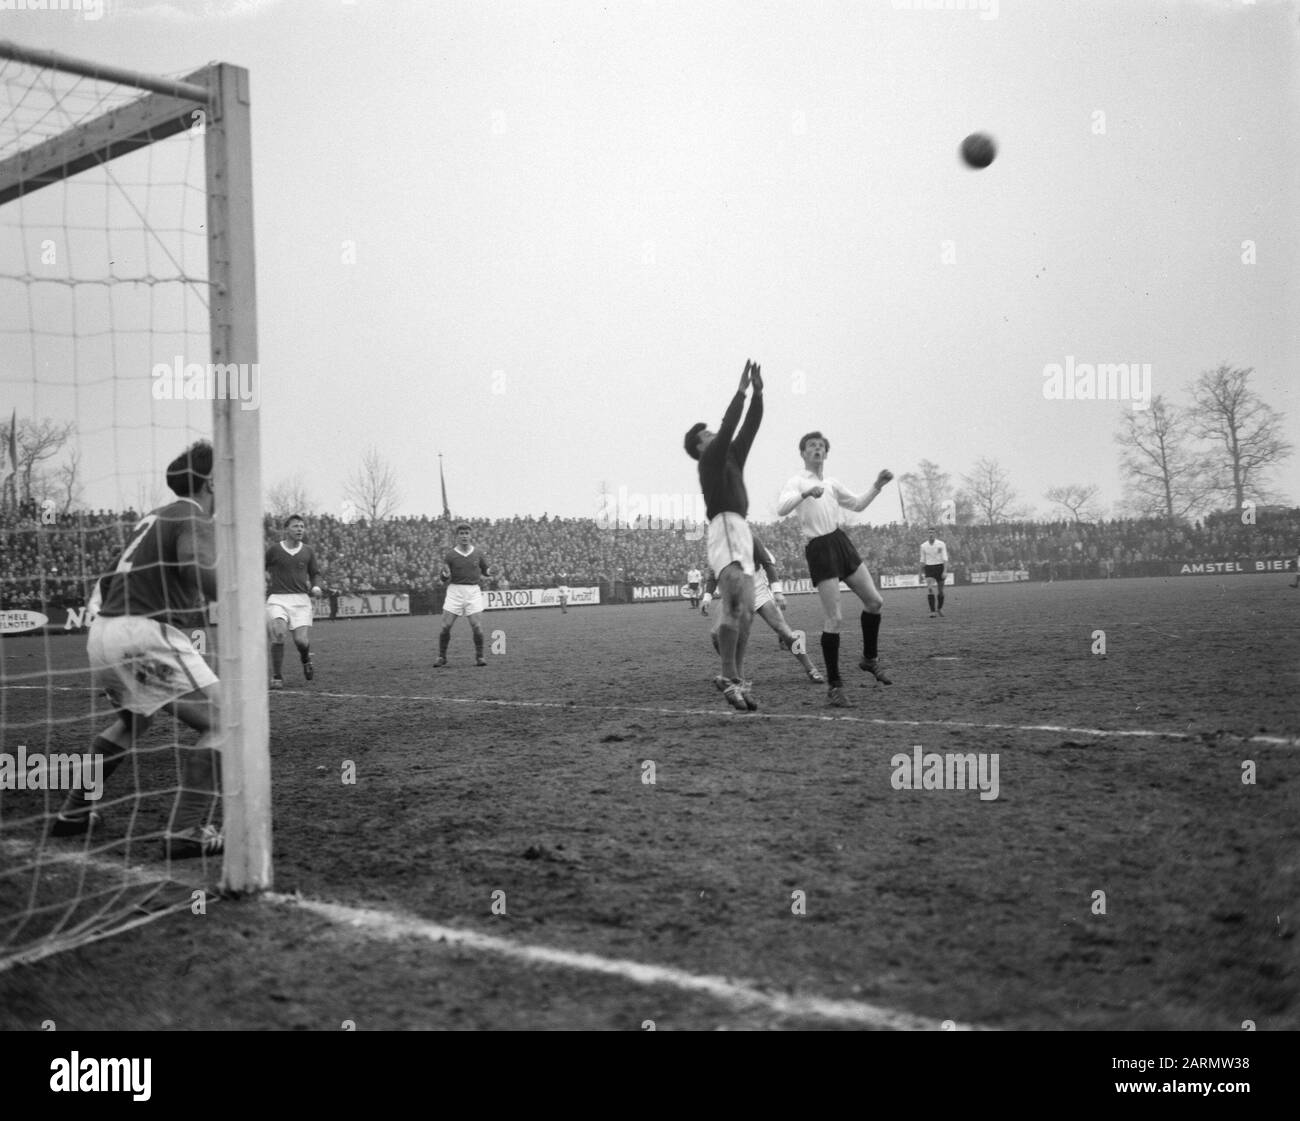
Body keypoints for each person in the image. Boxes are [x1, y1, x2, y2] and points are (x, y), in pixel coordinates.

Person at [50, 441, 223, 859]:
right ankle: (188, 830)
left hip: (105, 631)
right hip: (144, 634)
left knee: (133, 725)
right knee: (227, 722)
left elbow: (108, 580)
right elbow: (192, 566)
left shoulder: (150, 519)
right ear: (211, 482)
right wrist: (238, 590)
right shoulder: (191, 514)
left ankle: (74, 813)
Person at [778, 431, 894, 708]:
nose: (817, 450)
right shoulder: (797, 481)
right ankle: (834, 686)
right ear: (803, 453)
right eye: (811, 446)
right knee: (835, 618)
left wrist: (877, 485)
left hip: (840, 542)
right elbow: (782, 508)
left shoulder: (831, 483)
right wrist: (805, 492)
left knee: (875, 601)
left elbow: (857, 504)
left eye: (821, 446)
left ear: (826, 454)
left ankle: (869, 659)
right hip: (819, 548)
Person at [684, 359, 763, 712]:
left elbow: (749, 428)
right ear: (700, 447)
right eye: (706, 435)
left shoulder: (730, 456)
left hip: (741, 530)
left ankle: (737, 679)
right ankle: (729, 677)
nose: (713, 434)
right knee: (733, 606)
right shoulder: (710, 460)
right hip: (726, 528)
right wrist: (741, 389)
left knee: (746, 612)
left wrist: (759, 393)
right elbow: (731, 424)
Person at [710, 533, 825, 684]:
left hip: (757, 590)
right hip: (734, 594)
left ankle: (811, 668)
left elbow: (768, 565)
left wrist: (777, 592)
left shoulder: (750, 538)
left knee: (785, 632)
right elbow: (713, 575)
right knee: (715, 634)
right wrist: (706, 597)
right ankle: (733, 673)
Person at [266, 514, 323, 688]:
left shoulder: (308, 551)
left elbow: (315, 573)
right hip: (277, 598)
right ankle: (277, 676)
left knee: (301, 641)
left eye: (302, 526)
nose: (300, 529)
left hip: (300, 600)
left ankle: (306, 659)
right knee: (279, 633)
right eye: (296, 526)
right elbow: (260, 567)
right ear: (286, 529)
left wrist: (316, 586)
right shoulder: (275, 550)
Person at [436, 523, 490, 666]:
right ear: (457, 536)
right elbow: (443, 577)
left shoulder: (478, 553)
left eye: (467, 533)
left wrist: (491, 571)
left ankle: (480, 657)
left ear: (470, 535)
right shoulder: (450, 555)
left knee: (476, 626)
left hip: (473, 591)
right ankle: (442, 657)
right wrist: (444, 575)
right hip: (455, 591)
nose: (464, 536)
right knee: (445, 626)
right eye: (461, 533)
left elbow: (486, 571)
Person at [920, 527, 949, 617]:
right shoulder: (923, 546)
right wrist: (920, 573)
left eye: (932, 532)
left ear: (935, 534)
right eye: (929, 532)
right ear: (927, 534)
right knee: (930, 589)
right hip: (929, 568)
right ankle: (932, 611)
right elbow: (922, 560)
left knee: (940, 591)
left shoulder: (941, 544)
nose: (931, 534)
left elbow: (945, 558)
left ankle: (939, 609)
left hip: (939, 567)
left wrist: (944, 571)